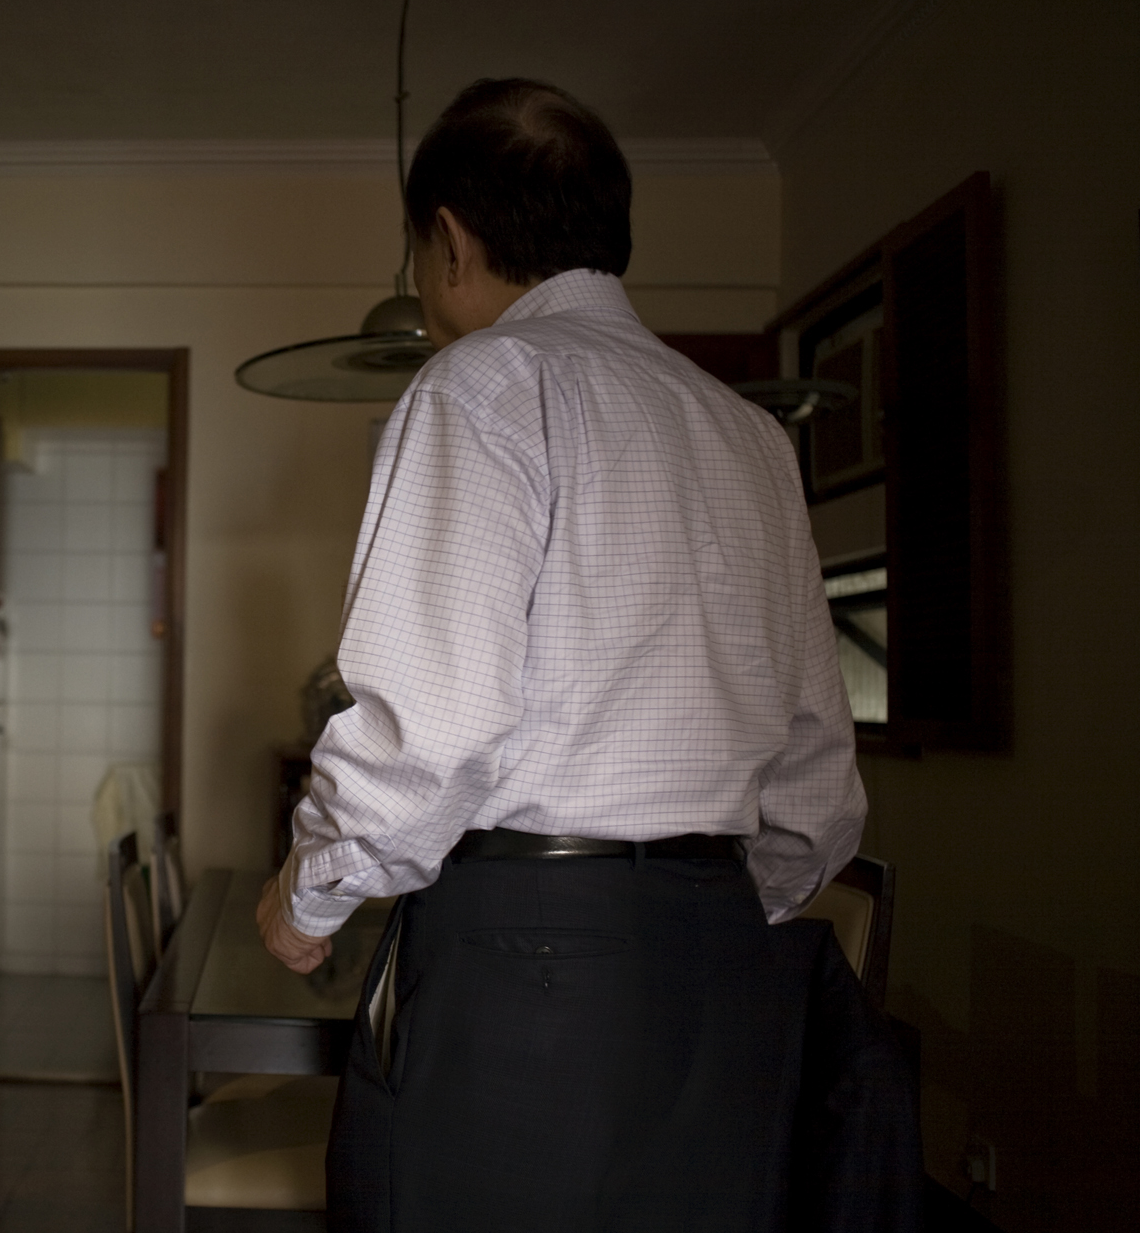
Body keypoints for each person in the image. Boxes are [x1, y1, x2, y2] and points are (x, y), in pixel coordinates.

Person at [255, 79, 871, 1230]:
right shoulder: (750, 434)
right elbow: (814, 772)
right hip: (724, 962)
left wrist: (309, 895)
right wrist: (715, 909)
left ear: (449, 242)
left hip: (528, 958)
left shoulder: (484, 382)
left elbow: (430, 726)